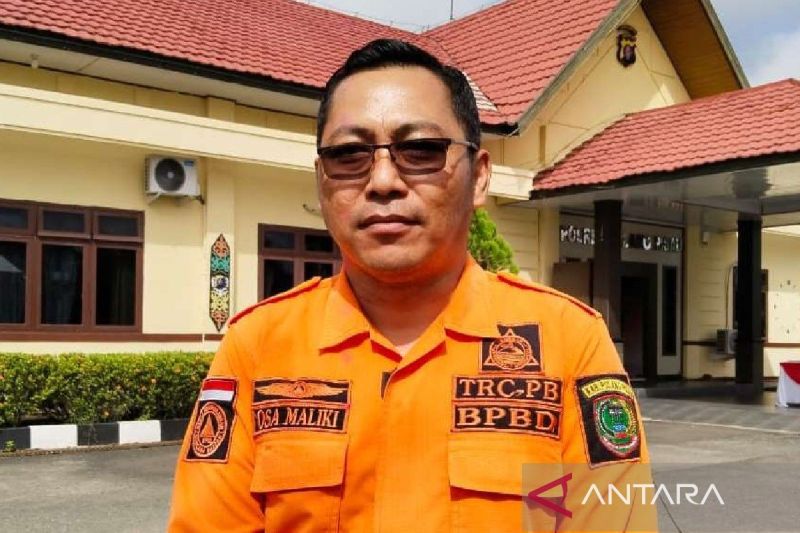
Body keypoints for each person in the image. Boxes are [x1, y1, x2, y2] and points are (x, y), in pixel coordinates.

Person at [168, 39, 654, 532]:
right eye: (349, 154)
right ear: (321, 180)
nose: (382, 181)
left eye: (420, 150)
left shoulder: (568, 342)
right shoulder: (259, 346)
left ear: (479, 177)